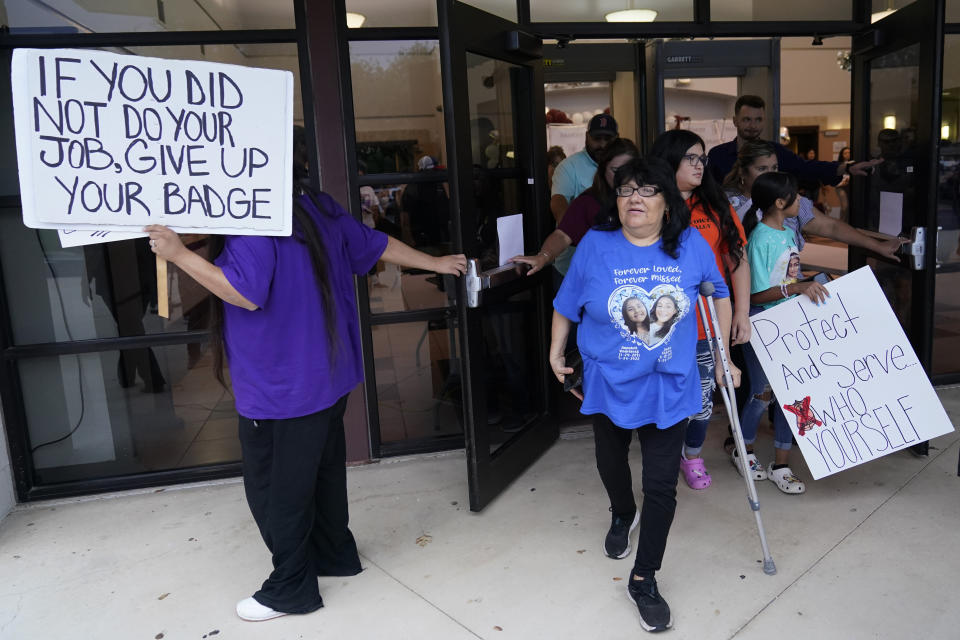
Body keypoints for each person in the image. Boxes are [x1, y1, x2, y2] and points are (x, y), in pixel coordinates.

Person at [144, 132, 467, 623]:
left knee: (277, 492)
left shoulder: (256, 222)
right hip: (327, 376)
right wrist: (436, 262)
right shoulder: (314, 205)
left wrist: (179, 254)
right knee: (322, 472)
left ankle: (291, 588)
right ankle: (336, 555)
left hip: (282, 388)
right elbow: (375, 242)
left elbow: (244, 292)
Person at [549, 157, 735, 633]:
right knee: (611, 464)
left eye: (648, 190)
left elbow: (718, 292)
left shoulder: (690, 245)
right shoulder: (596, 245)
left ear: (666, 205)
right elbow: (567, 303)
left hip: (670, 384)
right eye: (627, 189)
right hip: (609, 381)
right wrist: (555, 352)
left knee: (660, 486)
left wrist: (728, 353)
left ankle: (644, 577)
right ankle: (621, 511)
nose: (635, 197)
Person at [648, 129, 748, 491]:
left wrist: (741, 312)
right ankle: (663, 454)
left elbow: (737, 258)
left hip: (708, 323)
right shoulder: (651, 204)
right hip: (663, 327)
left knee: (704, 400)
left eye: (702, 158)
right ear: (668, 161)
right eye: (690, 157)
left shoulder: (715, 205)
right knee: (665, 396)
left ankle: (691, 455)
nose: (699, 164)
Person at [737, 172, 830, 494]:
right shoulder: (760, 238)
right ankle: (744, 451)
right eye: (796, 197)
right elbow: (756, 295)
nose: (802, 203)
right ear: (780, 203)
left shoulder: (787, 233)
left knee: (793, 398)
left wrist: (811, 282)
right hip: (763, 326)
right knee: (761, 395)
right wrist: (799, 286)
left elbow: (791, 278)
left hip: (789, 326)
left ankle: (782, 463)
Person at [723, 140, 905, 260]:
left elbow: (830, 226)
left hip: (788, 291)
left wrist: (877, 246)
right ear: (742, 171)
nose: (770, 174)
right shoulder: (725, 203)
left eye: (775, 167)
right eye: (762, 169)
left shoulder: (789, 198)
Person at [512, 138, 640, 275]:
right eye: (615, 170)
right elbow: (562, 235)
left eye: (627, 170)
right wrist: (543, 256)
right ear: (603, 169)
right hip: (601, 279)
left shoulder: (648, 198)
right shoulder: (589, 201)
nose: (621, 176)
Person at [707, 95, 880, 186]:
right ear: (735, 120)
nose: (753, 125)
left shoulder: (776, 152)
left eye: (758, 119)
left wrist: (847, 167)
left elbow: (806, 167)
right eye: (747, 119)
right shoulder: (718, 155)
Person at [549, 114, 619, 276]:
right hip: (573, 267)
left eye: (608, 139)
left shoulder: (624, 166)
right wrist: (569, 230)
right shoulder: (569, 167)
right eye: (597, 138)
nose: (602, 144)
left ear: (617, 138)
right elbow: (558, 201)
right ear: (587, 137)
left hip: (614, 267)